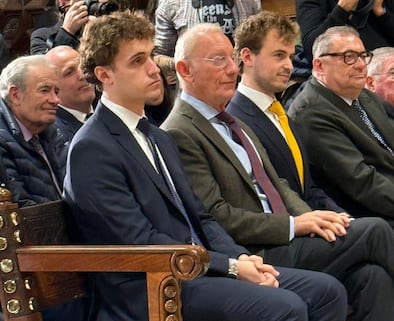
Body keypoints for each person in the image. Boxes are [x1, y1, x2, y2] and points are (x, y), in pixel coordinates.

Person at [63, 10, 348, 321]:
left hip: (196, 268)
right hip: (152, 285)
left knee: (326, 291)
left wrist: (241, 257)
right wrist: (230, 267)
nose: (152, 69)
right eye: (137, 61)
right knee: (285, 307)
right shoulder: (91, 148)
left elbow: (201, 216)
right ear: (105, 75)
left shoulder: (157, 136)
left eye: (150, 57)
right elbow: (140, 240)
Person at [161, 16, 394, 321]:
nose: (231, 69)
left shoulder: (230, 120)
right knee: (375, 230)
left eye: (230, 59)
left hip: (288, 234)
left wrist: (310, 217)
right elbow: (217, 215)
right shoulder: (179, 131)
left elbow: (277, 183)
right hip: (257, 249)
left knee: (373, 277)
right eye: (219, 60)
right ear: (185, 70)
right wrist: (296, 225)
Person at [288, 26, 394, 243]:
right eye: (348, 57)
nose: (359, 64)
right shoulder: (311, 112)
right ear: (319, 65)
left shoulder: (364, 96)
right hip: (372, 217)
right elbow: (362, 181)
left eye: (363, 56)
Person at [227, 11, 343, 212]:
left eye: (290, 56)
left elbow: (309, 188)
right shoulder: (234, 120)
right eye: (279, 55)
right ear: (247, 57)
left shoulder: (281, 113)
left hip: (317, 222)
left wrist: (344, 219)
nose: (289, 66)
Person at [0, 55, 84, 321]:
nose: (56, 100)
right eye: (45, 90)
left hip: (62, 251)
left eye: (56, 91)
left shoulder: (51, 131)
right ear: (15, 94)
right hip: (26, 264)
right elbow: (22, 211)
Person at [154, 0, 261, 89]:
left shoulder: (250, 3)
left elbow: (258, 48)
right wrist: (190, 66)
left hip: (241, 88)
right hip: (196, 91)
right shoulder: (171, 4)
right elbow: (157, 56)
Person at [296, 0, 394, 64]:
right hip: (346, 76)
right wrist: (343, 9)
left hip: (389, 74)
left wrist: (381, 13)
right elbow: (312, 49)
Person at [45, 45, 95, 141]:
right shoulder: (53, 135)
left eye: (83, 66)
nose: (82, 75)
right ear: (52, 86)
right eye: (69, 72)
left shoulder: (110, 110)